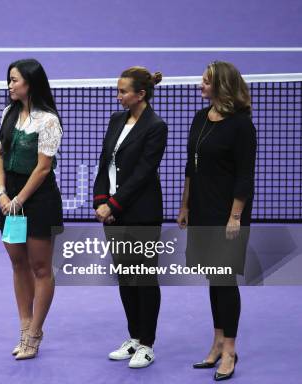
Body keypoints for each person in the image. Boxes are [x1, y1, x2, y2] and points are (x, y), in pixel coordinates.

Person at [178, 61, 256, 381]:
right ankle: (217, 341)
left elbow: (244, 177)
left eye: (206, 82)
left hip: (227, 215)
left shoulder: (241, 126)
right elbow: (190, 167)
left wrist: (235, 216)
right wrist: (184, 207)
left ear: (221, 86)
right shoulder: (200, 117)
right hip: (200, 211)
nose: (201, 85)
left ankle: (230, 350)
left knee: (225, 281)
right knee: (213, 278)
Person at [92, 66, 167, 368]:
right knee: (125, 277)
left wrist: (114, 205)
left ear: (141, 94)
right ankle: (134, 337)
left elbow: (142, 174)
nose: (118, 95)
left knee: (144, 278)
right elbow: (104, 163)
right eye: (118, 90)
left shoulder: (156, 126)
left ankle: (147, 344)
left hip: (142, 215)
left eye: (123, 91)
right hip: (114, 213)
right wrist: (101, 203)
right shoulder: (116, 120)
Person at [0, 58, 63, 360]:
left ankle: (35, 333)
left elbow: (43, 169)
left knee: (40, 268)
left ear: (30, 84)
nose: (10, 85)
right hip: (9, 200)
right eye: (9, 80)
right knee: (18, 264)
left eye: (14, 80)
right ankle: (24, 327)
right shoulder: (8, 113)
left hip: (38, 201)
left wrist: (18, 200)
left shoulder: (48, 121)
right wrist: (1, 192)